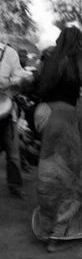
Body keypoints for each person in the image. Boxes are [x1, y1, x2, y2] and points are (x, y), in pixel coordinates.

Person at [31, 26, 82, 252]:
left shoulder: (50, 57)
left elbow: (38, 85)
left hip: (43, 115)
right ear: (78, 43)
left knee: (48, 171)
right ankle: (57, 235)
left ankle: (47, 227)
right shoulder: (78, 57)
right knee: (67, 175)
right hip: (63, 118)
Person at [0, 41, 33, 198]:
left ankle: (15, 186)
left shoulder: (9, 52)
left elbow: (20, 77)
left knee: (13, 152)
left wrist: (9, 84)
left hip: (7, 110)